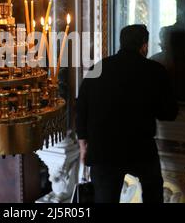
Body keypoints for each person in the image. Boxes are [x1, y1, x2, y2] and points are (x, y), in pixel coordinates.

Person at [76, 25, 178, 203]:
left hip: (102, 150)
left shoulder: (97, 69)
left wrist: (83, 144)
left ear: (121, 43)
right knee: (153, 194)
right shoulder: (155, 71)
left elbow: (81, 108)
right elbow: (168, 113)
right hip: (139, 148)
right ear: (144, 46)